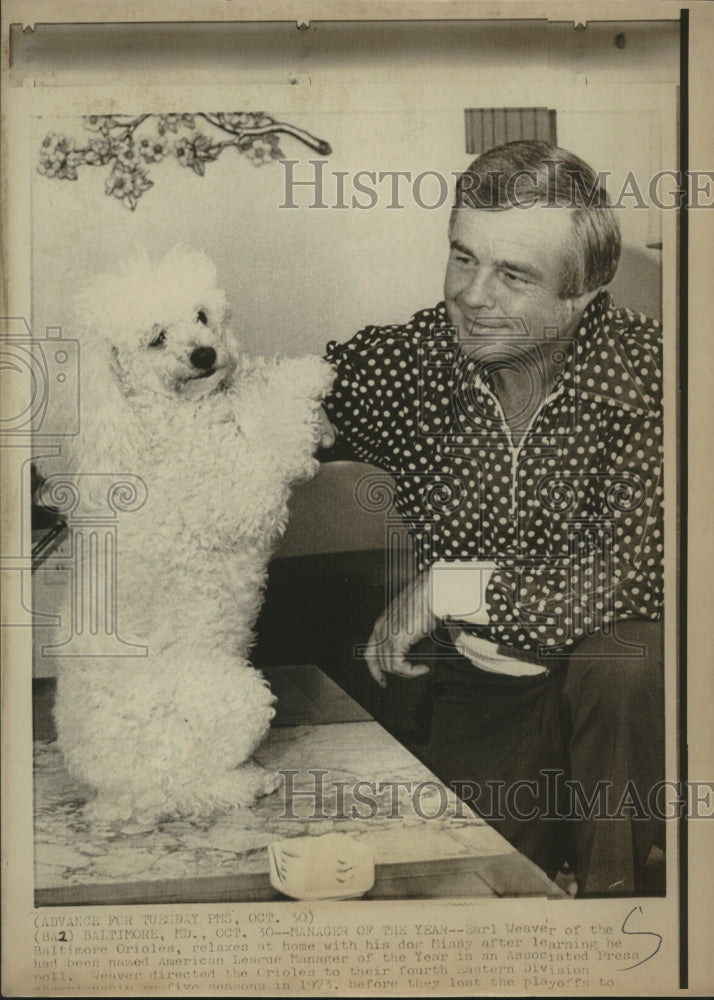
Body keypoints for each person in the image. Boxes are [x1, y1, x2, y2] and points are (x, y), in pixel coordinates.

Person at [318, 140, 664, 896]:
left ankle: (625, 908)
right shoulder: (414, 358)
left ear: (585, 291)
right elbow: (290, 405)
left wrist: (449, 587)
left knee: (630, 656)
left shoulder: (656, 375)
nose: (473, 296)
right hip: (482, 682)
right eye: (463, 257)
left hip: (617, 697)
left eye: (513, 274)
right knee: (456, 898)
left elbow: (637, 573)